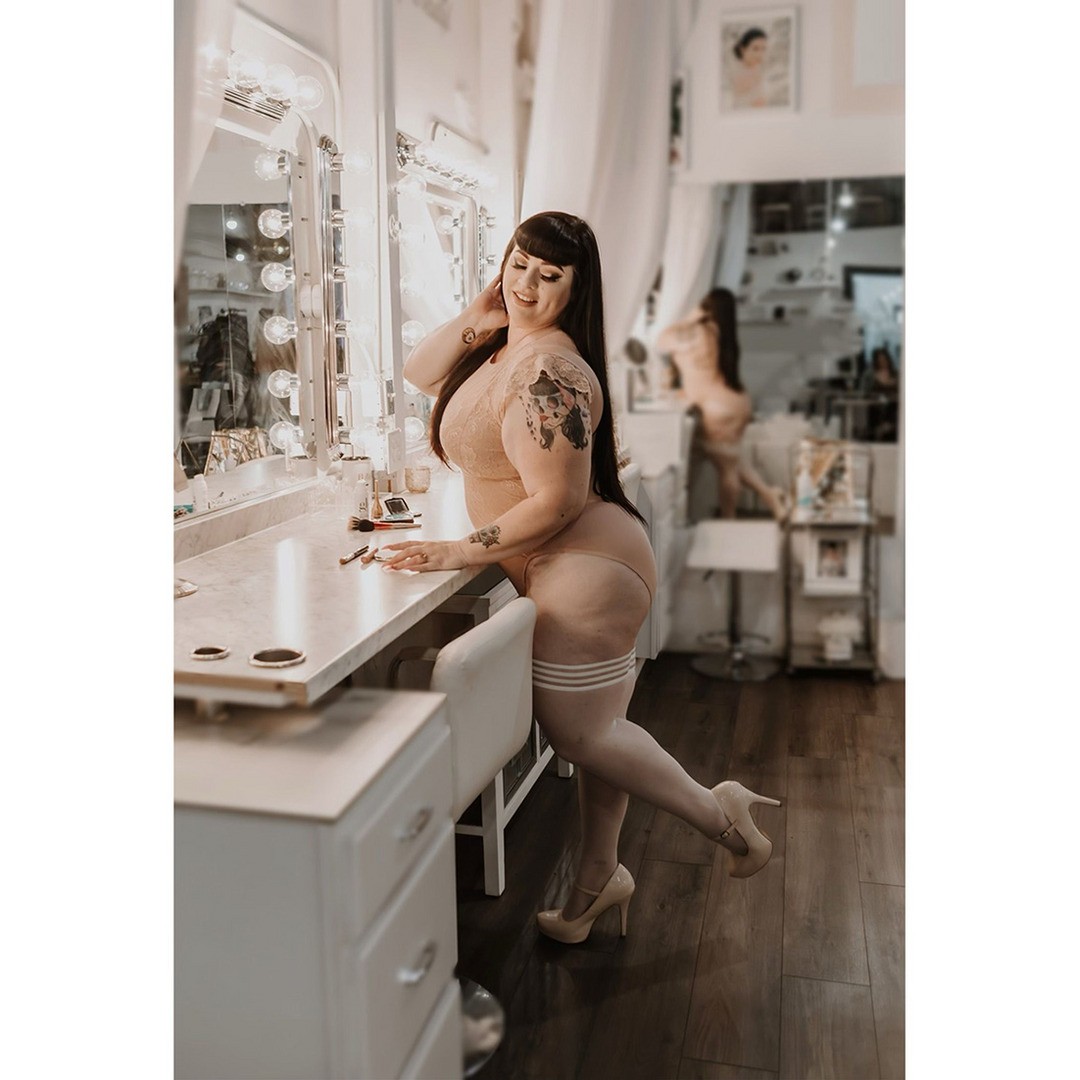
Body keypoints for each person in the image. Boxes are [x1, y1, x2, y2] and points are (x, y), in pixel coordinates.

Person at [385, 211, 781, 943]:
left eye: (549, 275)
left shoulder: (549, 371)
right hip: (574, 564)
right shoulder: (508, 345)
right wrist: (481, 315)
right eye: (518, 264)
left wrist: (461, 550)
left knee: (582, 736)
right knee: (606, 732)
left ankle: (721, 817)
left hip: (586, 567)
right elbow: (417, 371)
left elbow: (559, 501)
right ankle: (597, 882)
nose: (527, 284)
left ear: (577, 288)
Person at [656, 287, 787, 520]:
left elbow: (661, 342)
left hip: (715, 408)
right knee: (730, 459)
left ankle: (729, 520)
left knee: (726, 467)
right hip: (735, 401)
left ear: (705, 308)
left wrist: (691, 316)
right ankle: (770, 496)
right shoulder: (719, 332)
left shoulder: (694, 332)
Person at [729, 27, 769, 109]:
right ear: (743, 49)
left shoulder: (757, 69)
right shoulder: (739, 73)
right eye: (755, 49)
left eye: (763, 49)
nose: (760, 54)